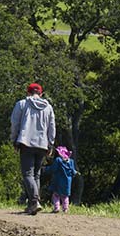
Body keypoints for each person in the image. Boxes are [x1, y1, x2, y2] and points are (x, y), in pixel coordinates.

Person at [10, 82, 56, 215]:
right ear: (41, 94)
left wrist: (14, 139)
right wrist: (50, 144)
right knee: (36, 174)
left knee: (27, 174)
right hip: (42, 144)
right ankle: (32, 205)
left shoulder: (22, 104)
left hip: (26, 142)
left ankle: (35, 200)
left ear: (28, 93)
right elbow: (52, 127)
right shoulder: (48, 108)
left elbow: (15, 123)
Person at [48, 146, 77, 213]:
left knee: (56, 195)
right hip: (67, 182)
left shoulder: (58, 160)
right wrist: (75, 173)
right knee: (65, 196)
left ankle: (56, 208)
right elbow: (73, 171)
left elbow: (53, 169)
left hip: (58, 181)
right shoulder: (71, 161)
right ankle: (65, 209)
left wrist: (46, 169)